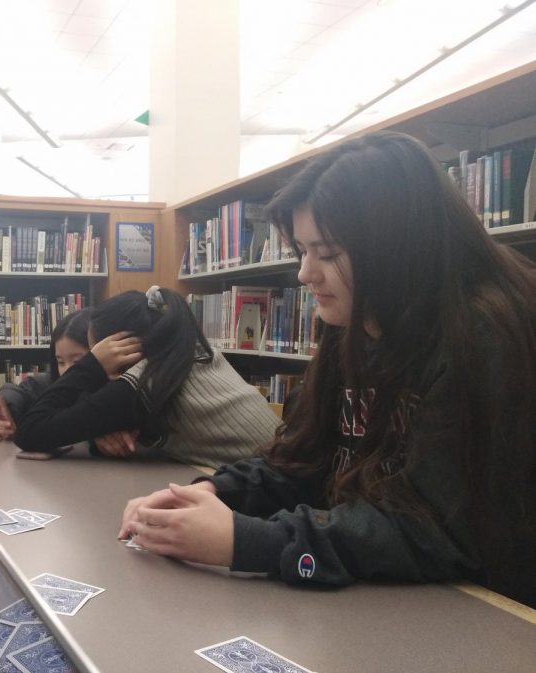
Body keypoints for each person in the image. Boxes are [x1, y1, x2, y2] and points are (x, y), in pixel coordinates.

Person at [118, 131, 536, 608]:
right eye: (302, 250)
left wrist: (249, 542)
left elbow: (438, 534)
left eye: (329, 253)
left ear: (397, 247)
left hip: (484, 617)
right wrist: (213, 492)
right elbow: (309, 461)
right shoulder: (356, 318)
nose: (304, 273)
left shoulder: (486, 338)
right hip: (383, 602)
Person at [13, 286, 281, 468]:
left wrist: (92, 365)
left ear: (122, 350)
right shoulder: (194, 354)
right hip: (295, 477)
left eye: (97, 351)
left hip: (279, 493)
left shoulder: (143, 382)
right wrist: (98, 432)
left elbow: (30, 432)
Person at [0, 308, 91, 441]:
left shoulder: (114, 386)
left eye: (76, 361)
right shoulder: (52, 381)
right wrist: (4, 411)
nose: (67, 370)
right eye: (60, 362)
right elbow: (19, 391)